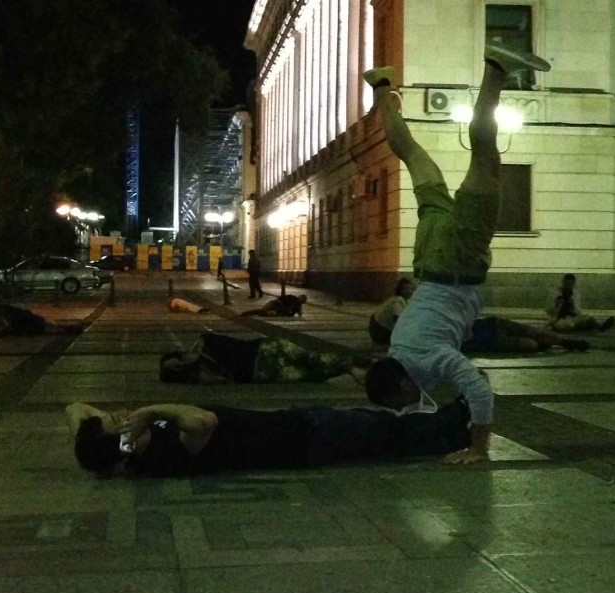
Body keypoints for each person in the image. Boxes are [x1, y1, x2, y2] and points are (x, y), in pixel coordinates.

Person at [362, 45, 552, 465]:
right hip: (429, 257)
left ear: (402, 387)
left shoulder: (430, 359)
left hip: (459, 260)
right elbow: (416, 390)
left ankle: (497, 70)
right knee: (412, 155)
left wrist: (477, 447)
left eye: (401, 403)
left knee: (485, 151)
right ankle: (382, 85)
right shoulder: (398, 350)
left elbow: (478, 387)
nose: (407, 405)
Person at [66, 400, 472, 476]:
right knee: (387, 431)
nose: (117, 414)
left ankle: (451, 435)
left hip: (300, 426)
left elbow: (74, 407)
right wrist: (150, 412)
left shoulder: (131, 449)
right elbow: (203, 421)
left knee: (385, 434)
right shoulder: (164, 456)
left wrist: (101, 428)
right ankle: (457, 422)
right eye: (114, 422)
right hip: (305, 439)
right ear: (121, 442)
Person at [160, 331, 363, 384]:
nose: (179, 363)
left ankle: (353, 367)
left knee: (313, 359)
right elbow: (222, 381)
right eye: (176, 367)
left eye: (176, 360)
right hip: (261, 371)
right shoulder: (200, 375)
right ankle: (347, 368)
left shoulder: (203, 342)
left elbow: (207, 341)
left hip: (266, 349)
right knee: (311, 375)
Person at [462, 316, 589, 353]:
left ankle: (564, 342)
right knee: (530, 345)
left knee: (535, 332)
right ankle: (545, 343)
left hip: (493, 324)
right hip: (490, 341)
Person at [549, 274, 615, 333]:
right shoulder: (555, 293)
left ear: (573, 284)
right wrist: (556, 304)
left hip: (571, 318)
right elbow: (548, 309)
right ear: (563, 282)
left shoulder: (574, 294)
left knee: (588, 318)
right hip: (559, 320)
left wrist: (572, 305)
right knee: (563, 326)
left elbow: (578, 312)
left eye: (570, 285)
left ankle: (600, 327)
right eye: (567, 284)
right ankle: (581, 328)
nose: (568, 287)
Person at [369, 278, 416, 345]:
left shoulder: (406, 301)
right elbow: (398, 319)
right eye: (405, 289)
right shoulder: (397, 301)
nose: (409, 291)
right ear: (400, 290)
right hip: (379, 331)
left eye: (411, 289)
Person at [240, 294, 308, 317]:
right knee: (264, 311)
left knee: (265, 312)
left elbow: (299, 313)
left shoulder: (297, 306)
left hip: (278, 310)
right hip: (275, 305)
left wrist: (299, 308)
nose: (299, 300)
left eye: (301, 300)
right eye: (300, 298)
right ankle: (246, 313)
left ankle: (246, 313)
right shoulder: (291, 297)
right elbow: (279, 300)